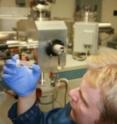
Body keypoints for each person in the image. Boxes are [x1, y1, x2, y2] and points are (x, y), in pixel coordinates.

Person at [2, 47, 117, 124]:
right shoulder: (72, 112)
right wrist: (27, 95)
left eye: (83, 99)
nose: (71, 93)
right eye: (79, 89)